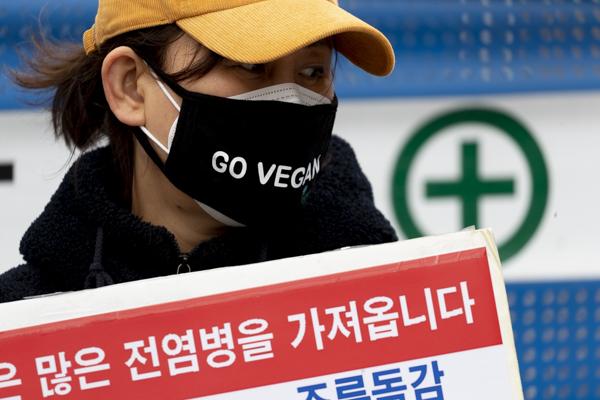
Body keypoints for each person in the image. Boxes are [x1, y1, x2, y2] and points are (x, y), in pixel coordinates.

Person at [0, 0, 397, 303]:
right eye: (249, 65)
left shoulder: (381, 299)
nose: (290, 100)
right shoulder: (23, 324)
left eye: (312, 72)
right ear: (130, 87)